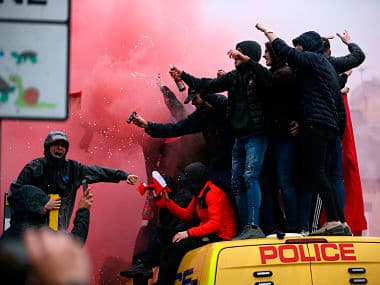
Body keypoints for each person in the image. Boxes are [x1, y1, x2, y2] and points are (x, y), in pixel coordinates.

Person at [169, 40, 272, 239]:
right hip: (241, 138)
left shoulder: (258, 75)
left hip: (256, 136)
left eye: (240, 53)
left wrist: (247, 61)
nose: (235, 56)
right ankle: (245, 229)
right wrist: (183, 76)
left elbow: (267, 77)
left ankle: (254, 226)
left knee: (251, 178)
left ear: (249, 55)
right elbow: (207, 85)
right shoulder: (233, 78)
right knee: (237, 184)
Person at [256, 23, 349, 236]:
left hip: (312, 130)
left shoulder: (303, 69)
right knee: (321, 177)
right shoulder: (325, 71)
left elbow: (287, 54)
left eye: (300, 46)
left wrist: (267, 31)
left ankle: (320, 224)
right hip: (327, 131)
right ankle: (337, 221)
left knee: (312, 177)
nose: (264, 57)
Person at [9, 130, 138, 230]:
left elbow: (98, 171)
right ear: (47, 147)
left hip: (58, 232)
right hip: (31, 231)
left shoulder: (73, 169)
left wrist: (124, 175)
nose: (60, 148)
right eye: (56, 144)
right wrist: (40, 203)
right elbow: (15, 192)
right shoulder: (34, 167)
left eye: (63, 146)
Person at [131, 88, 234, 201]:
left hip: (232, 164)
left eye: (195, 98)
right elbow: (176, 126)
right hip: (214, 167)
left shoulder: (225, 108)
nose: (193, 103)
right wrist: (148, 126)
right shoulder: (200, 117)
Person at [154, 162, 236, 285]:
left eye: (187, 178)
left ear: (195, 179)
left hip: (221, 236)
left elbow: (215, 224)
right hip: (208, 232)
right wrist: (167, 201)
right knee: (166, 242)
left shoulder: (212, 193)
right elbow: (187, 215)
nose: (185, 182)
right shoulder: (199, 193)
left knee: (172, 252)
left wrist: (188, 233)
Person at [0, 185, 93, 285]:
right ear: (42, 209)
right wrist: (83, 209)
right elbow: (75, 242)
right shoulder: (39, 236)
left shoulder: (6, 238)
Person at [120, 175, 194, 279]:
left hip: (182, 236)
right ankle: (144, 268)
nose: (155, 194)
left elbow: (174, 226)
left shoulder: (183, 198)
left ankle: (147, 267)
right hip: (173, 236)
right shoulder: (167, 202)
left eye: (157, 191)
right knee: (139, 259)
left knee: (158, 236)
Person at [259, 41, 299, 234]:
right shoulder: (280, 73)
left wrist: (298, 121)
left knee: (283, 182)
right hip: (273, 136)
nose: (264, 55)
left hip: (283, 136)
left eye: (267, 51)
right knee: (270, 183)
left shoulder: (285, 74)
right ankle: (277, 225)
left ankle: (291, 226)